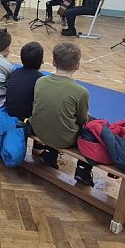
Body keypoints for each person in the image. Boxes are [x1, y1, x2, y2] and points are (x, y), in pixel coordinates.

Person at [28, 42, 94, 186]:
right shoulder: (81, 91)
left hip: (39, 130)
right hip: (63, 139)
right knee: (90, 131)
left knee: (57, 117)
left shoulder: (40, 81)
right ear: (77, 65)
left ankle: (49, 154)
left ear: (53, 62)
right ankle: (83, 170)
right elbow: (82, 120)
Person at [5, 41, 44, 120]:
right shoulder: (41, 80)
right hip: (27, 117)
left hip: (10, 111)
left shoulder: (14, 72)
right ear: (41, 61)